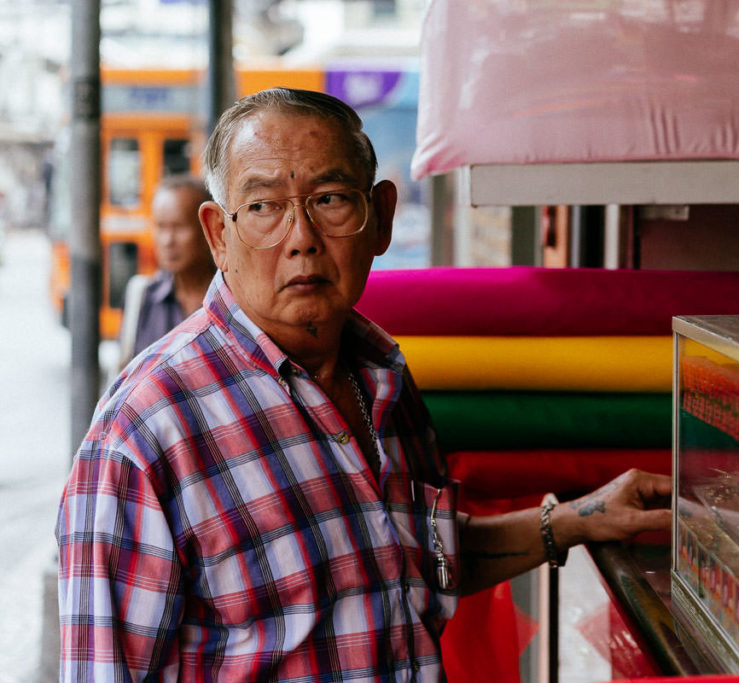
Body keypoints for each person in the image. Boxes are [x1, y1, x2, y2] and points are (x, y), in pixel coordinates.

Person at [56, 87, 672, 682]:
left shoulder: (381, 378)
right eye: (264, 206)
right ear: (219, 234)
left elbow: (414, 559)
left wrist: (577, 520)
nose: (300, 239)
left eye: (330, 199)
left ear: (381, 218)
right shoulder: (143, 434)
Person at [117, 174, 218, 369]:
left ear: (209, 227)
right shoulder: (142, 298)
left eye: (178, 227)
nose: (167, 241)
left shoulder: (234, 299)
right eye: (161, 227)